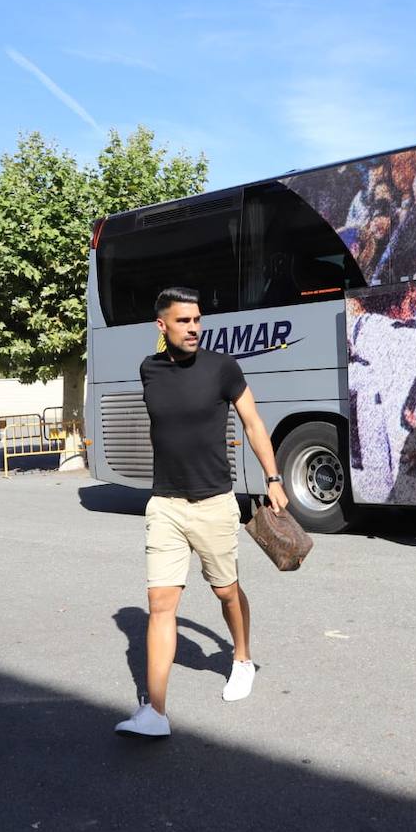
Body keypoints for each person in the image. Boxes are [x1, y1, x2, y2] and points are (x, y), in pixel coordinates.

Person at [115, 286, 289, 739]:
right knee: (160, 604)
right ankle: (155, 711)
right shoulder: (148, 370)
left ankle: (242, 658)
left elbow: (253, 423)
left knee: (226, 593)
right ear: (162, 326)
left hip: (213, 503)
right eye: (183, 321)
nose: (193, 328)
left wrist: (273, 480)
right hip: (165, 505)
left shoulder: (222, 368)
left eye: (197, 320)